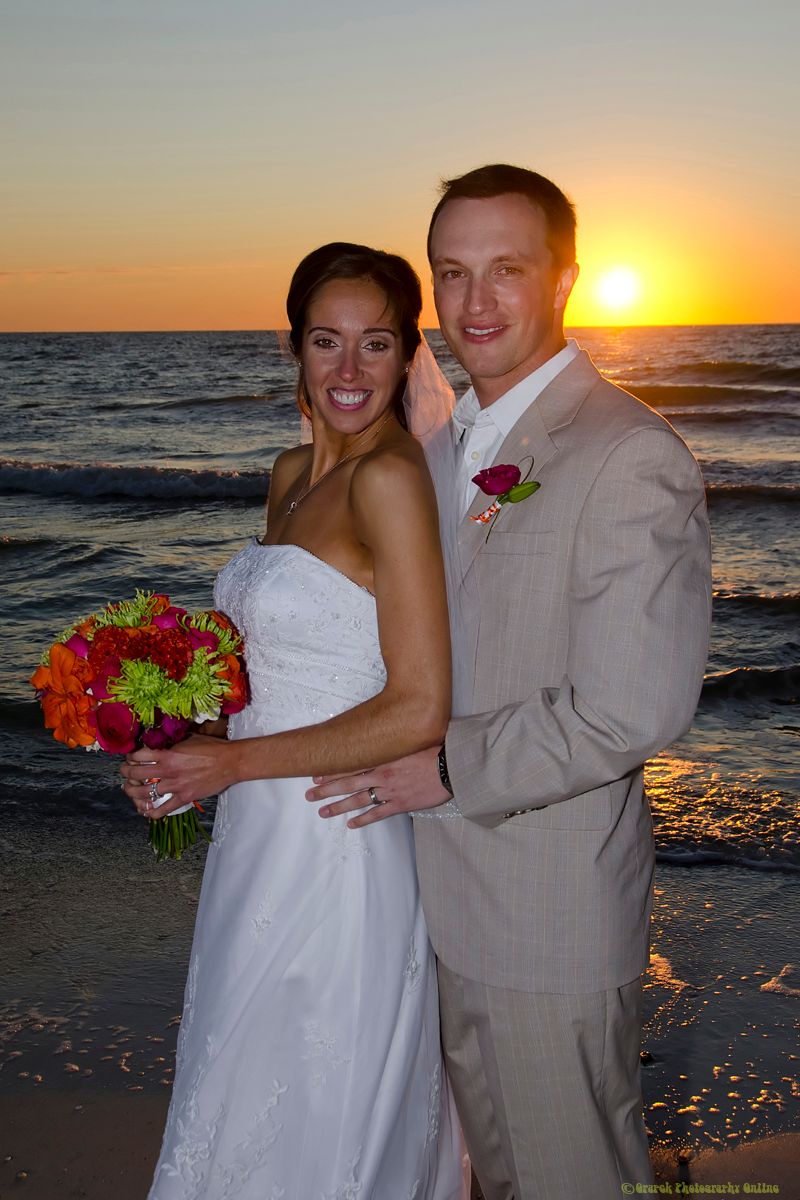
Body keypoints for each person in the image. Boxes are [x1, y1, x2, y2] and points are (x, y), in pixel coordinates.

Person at [307, 165, 713, 1199]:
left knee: (570, 1173)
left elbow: (634, 706)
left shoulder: (627, 453)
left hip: (542, 913)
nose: (473, 302)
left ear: (565, 278)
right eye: (451, 273)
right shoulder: (437, 448)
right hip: (422, 901)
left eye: (504, 270)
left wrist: (445, 767)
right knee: (485, 1172)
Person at [122, 243, 468, 1199]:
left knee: (320, 1097)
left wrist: (230, 768)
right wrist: (179, 751)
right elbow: (264, 670)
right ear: (294, 349)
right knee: (236, 1071)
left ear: (408, 357)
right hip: (257, 834)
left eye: (376, 343)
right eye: (327, 341)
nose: (349, 371)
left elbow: (418, 705)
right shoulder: (288, 476)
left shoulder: (388, 481)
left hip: (334, 838)